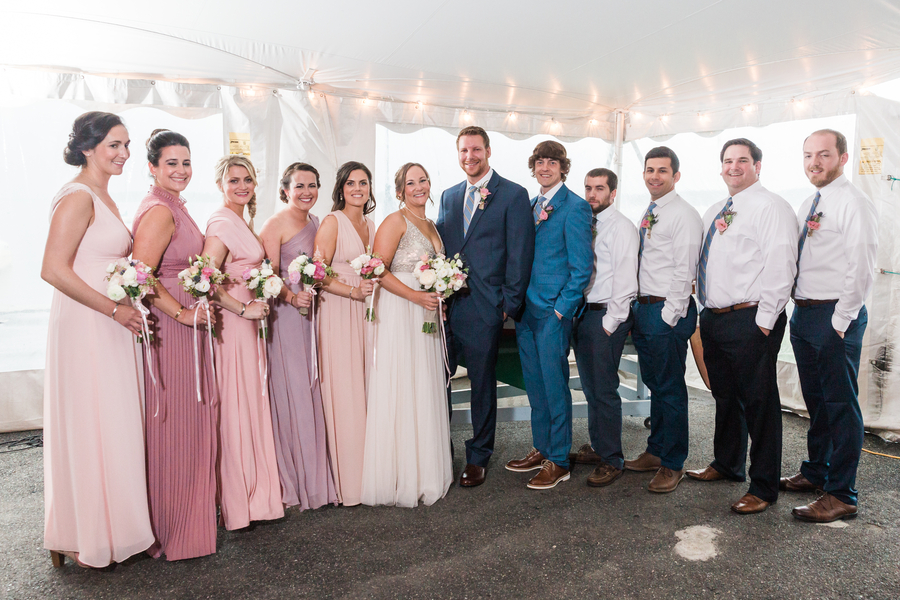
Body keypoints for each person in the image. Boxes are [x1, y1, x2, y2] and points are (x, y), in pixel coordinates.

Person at [42, 112, 154, 568]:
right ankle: (82, 529)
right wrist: (113, 308)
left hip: (110, 320)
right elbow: (52, 269)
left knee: (113, 420)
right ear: (87, 148)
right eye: (114, 145)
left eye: (126, 145)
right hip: (88, 323)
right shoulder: (78, 196)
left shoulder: (104, 195)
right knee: (91, 419)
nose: (124, 153)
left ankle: (118, 526)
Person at [685, 139, 797, 515]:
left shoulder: (771, 207)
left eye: (742, 161)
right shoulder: (717, 209)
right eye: (728, 161)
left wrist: (763, 324)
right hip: (715, 317)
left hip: (751, 319)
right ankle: (727, 464)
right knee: (725, 396)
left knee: (759, 403)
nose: (734, 167)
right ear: (721, 168)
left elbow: (782, 265)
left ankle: (763, 486)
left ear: (757, 165)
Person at [131, 129, 218, 559]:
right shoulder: (159, 212)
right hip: (173, 329)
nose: (181, 170)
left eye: (185, 162)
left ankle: (188, 522)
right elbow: (141, 276)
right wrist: (183, 313)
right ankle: (176, 528)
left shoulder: (173, 205)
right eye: (171, 163)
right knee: (177, 426)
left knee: (192, 420)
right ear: (151, 167)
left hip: (189, 323)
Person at [785, 129, 878, 523]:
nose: (814, 162)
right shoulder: (812, 201)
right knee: (817, 403)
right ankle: (817, 472)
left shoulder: (855, 203)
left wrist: (840, 321)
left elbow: (863, 265)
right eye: (808, 155)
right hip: (806, 313)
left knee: (840, 405)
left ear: (841, 157)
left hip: (833, 316)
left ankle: (842, 493)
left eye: (823, 154)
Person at [436, 126, 535, 487]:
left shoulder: (512, 194)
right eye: (463, 151)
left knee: (481, 385)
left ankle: (478, 455)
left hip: (486, 307)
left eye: (475, 150)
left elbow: (520, 254)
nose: (469, 157)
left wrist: (506, 305)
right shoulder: (448, 196)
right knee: (438, 382)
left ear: (488, 151)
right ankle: (439, 451)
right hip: (447, 309)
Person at [360, 162, 453, 506]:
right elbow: (376, 268)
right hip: (402, 311)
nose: (419, 187)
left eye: (423, 180)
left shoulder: (430, 224)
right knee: (402, 383)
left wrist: (439, 297)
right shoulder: (394, 221)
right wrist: (415, 295)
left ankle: (427, 470)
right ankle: (400, 474)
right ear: (399, 191)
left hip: (426, 313)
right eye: (411, 183)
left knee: (424, 385)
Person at [202, 155, 283, 530]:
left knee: (250, 402)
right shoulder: (220, 222)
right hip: (233, 327)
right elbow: (206, 279)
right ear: (221, 184)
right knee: (237, 405)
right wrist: (242, 308)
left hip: (248, 325)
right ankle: (240, 501)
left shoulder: (242, 221)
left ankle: (257, 496)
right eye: (233, 180)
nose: (241, 186)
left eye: (247, 179)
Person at [506, 142, 592, 489]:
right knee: (536, 386)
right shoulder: (530, 205)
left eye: (552, 162)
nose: (545, 167)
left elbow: (582, 267)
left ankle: (559, 459)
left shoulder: (575, 207)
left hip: (552, 313)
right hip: (526, 312)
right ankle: (541, 448)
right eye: (540, 161)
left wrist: (561, 309)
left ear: (562, 167)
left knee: (555, 386)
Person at [259, 162, 338, 510]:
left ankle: (317, 473)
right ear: (285, 189)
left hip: (312, 317)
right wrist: (291, 297)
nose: (306, 192)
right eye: (299, 186)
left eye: (312, 185)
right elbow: (265, 278)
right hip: (287, 318)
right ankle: (297, 477)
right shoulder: (274, 224)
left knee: (312, 387)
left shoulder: (316, 223)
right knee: (293, 390)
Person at [624, 147, 702, 493]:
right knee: (657, 385)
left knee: (670, 389)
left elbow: (684, 269)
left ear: (676, 176)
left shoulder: (683, 214)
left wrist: (669, 317)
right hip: (645, 309)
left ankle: (673, 463)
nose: (654, 176)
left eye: (662, 171)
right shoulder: (653, 209)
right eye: (649, 170)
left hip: (665, 312)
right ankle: (656, 450)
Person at [570, 168, 639, 487]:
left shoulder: (622, 227)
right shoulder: (587, 224)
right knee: (591, 387)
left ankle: (612, 459)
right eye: (588, 188)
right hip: (584, 313)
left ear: (613, 193)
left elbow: (626, 279)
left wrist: (611, 323)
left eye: (599, 189)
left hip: (606, 316)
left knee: (605, 389)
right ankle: (599, 447)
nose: (592, 194)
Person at [315, 161, 378, 506]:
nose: (358, 188)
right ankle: (347, 480)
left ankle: (370, 472)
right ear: (341, 189)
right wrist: (352, 291)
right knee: (344, 387)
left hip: (366, 311)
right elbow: (316, 272)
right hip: (340, 309)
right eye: (351, 183)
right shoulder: (332, 222)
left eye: (364, 183)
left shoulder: (370, 224)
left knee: (365, 383)